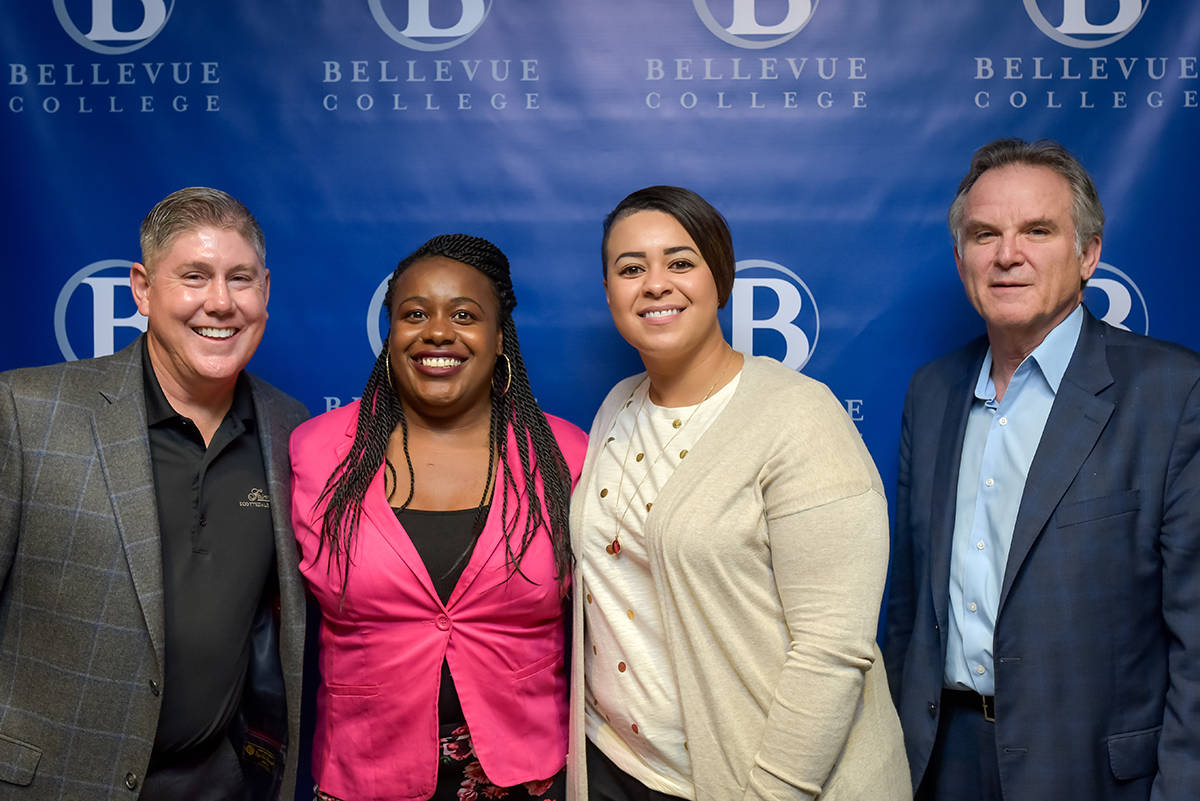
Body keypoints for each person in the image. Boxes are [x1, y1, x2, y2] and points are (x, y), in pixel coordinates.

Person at [568, 186, 909, 801]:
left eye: (679, 262)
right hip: (618, 764)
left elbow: (832, 649)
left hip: (757, 782)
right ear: (609, 293)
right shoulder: (616, 405)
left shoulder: (801, 417)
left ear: (720, 280)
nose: (654, 284)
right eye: (630, 268)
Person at [884, 138, 1200, 800]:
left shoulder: (1172, 393)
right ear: (960, 257)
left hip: (1091, 771)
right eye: (984, 234)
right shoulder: (932, 392)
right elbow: (910, 613)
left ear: (1088, 253)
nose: (1007, 254)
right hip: (939, 763)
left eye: (1037, 230)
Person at [0, 187, 309, 800]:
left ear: (265, 292)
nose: (220, 303)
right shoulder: (25, 412)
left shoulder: (291, 430)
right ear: (142, 288)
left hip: (219, 785)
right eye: (194, 276)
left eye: (240, 279)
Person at [290, 234, 587, 801]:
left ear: (500, 339)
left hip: (526, 774)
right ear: (392, 334)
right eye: (415, 313)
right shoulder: (316, 452)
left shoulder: (563, 456)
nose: (437, 332)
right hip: (364, 772)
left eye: (465, 315)